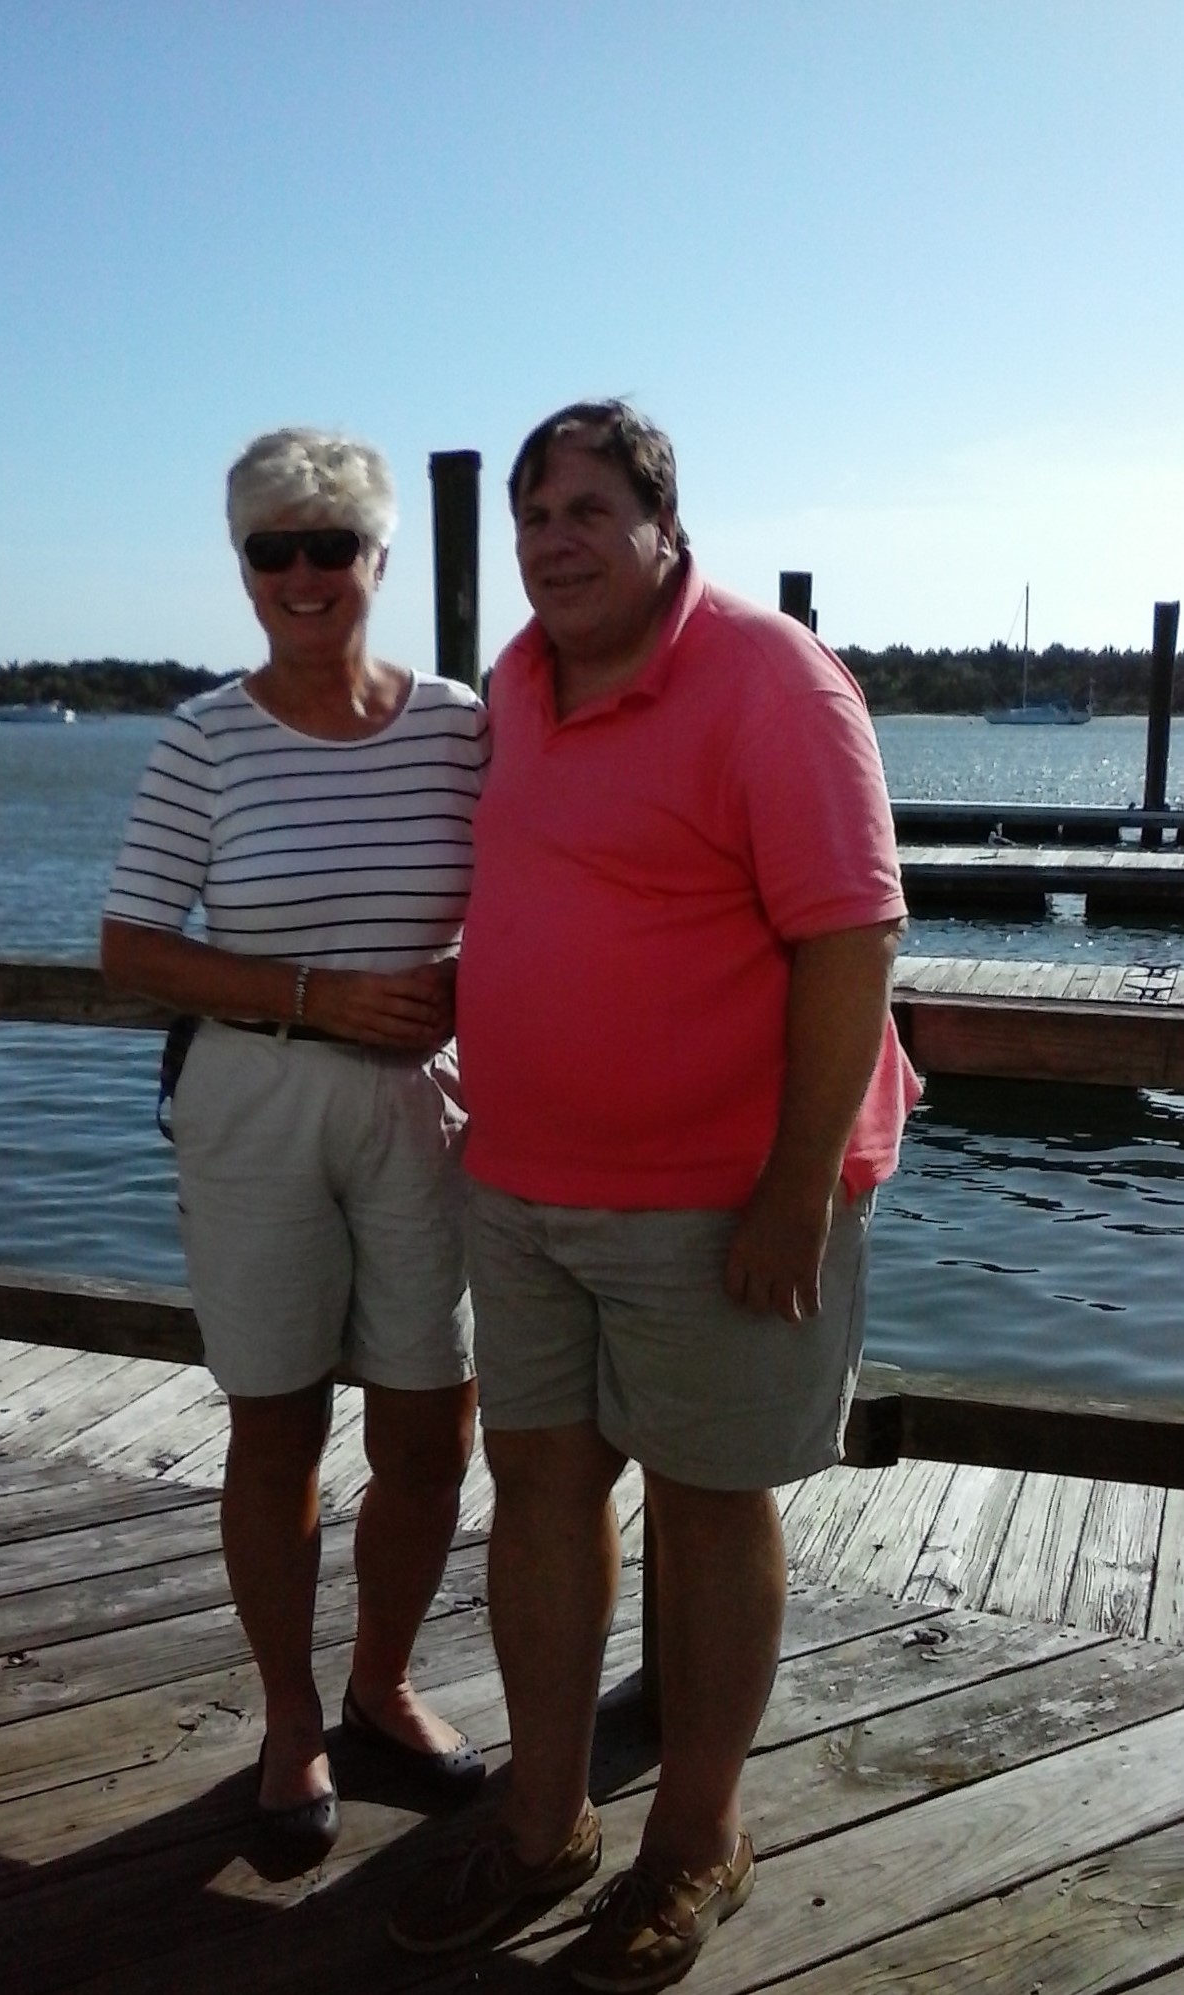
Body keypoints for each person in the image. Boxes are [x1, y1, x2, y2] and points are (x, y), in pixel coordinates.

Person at [388, 401, 920, 1986]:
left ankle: (697, 1839)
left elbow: (853, 939)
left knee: (707, 1504)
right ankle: (544, 1819)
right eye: (531, 514)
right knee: (540, 1493)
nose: (552, 539)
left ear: (665, 527)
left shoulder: (770, 681)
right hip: (526, 1184)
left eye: (587, 510)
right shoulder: (516, 686)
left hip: (720, 1198)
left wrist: (796, 1190)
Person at [101, 426, 489, 1865]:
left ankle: (381, 1683)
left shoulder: (459, 724)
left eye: (334, 545)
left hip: (425, 1105)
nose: (305, 574)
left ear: (381, 558)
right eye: (275, 549)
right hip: (256, 1100)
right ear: (243, 565)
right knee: (276, 1425)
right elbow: (132, 945)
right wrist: (314, 994)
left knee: (433, 1427)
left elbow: (542, 880)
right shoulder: (204, 738)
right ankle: (289, 1718)